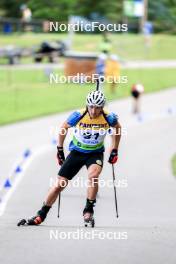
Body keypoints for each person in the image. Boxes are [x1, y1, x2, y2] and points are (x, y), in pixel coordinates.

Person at [18, 89, 121, 226]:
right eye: (91, 106)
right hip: (77, 152)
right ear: (87, 105)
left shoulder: (109, 117)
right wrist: (60, 149)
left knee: (93, 176)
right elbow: (63, 128)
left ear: (102, 107)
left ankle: (88, 210)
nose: (93, 110)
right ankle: (41, 214)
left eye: (97, 107)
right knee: (59, 185)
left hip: (95, 153)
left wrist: (114, 149)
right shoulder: (78, 114)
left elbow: (118, 129)